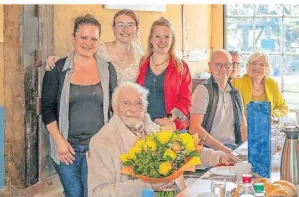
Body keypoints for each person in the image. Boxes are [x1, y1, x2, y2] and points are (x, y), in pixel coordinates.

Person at [87, 81, 239, 197]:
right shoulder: (103, 141)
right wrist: (148, 185)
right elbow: (98, 192)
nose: (133, 109)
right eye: (126, 103)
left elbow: (184, 152)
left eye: (138, 103)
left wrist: (218, 157)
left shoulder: (151, 128)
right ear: (114, 107)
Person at [41, 14, 117, 197]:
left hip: (96, 149)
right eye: (83, 37)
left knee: (93, 193)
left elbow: (115, 109)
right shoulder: (57, 69)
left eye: (94, 38)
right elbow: (47, 109)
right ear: (73, 38)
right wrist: (60, 142)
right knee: (74, 193)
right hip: (66, 148)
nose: (88, 43)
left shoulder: (107, 69)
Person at [45, 9, 143, 84]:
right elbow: (75, 60)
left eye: (130, 25)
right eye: (120, 25)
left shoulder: (139, 54)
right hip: (101, 106)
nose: (125, 30)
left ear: (136, 29)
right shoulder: (99, 48)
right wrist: (56, 61)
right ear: (113, 29)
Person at [136, 17, 191, 131]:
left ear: (172, 40)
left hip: (172, 127)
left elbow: (186, 100)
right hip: (144, 127)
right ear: (151, 39)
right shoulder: (140, 64)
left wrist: (168, 119)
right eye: (157, 36)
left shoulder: (181, 67)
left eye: (166, 37)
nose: (162, 41)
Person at [189, 49, 247, 153]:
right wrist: (225, 150)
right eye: (218, 65)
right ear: (210, 66)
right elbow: (194, 129)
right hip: (209, 152)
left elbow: (243, 129)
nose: (223, 69)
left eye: (227, 65)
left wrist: (250, 150)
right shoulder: (203, 90)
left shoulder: (236, 93)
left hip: (233, 149)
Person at [232, 52, 288, 117]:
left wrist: (271, 115)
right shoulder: (236, 83)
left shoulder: (272, 84)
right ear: (248, 66)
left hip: (267, 125)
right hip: (242, 126)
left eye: (261, 64)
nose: (257, 67)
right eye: (254, 63)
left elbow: (283, 107)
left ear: (267, 68)